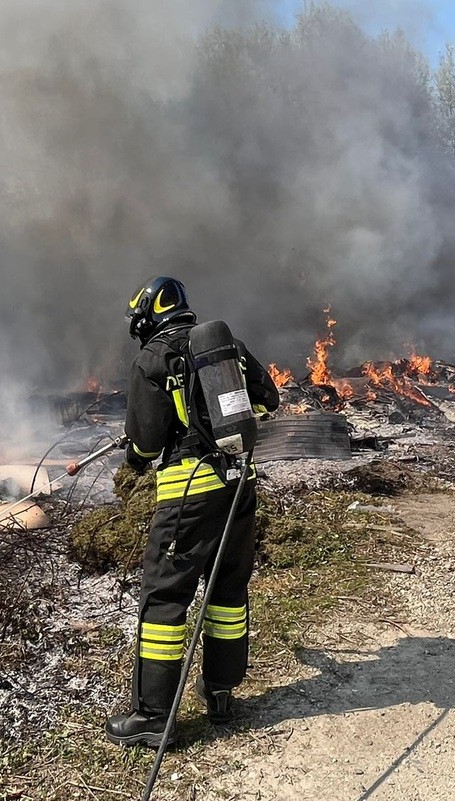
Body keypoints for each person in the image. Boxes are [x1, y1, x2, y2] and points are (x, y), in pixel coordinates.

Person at [105, 276, 281, 747]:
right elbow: (269, 399)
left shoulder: (154, 358)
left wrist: (138, 460)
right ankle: (221, 695)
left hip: (188, 494)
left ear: (148, 319)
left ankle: (154, 716)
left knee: (164, 600)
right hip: (239, 486)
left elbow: (144, 443)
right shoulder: (226, 347)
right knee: (227, 591)